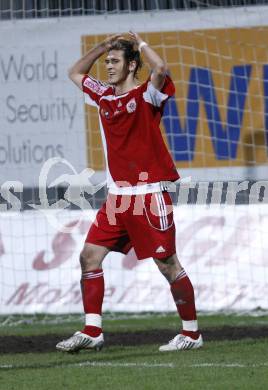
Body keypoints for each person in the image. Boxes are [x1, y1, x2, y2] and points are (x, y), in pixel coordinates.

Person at [56, 31, 203, 353]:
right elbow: (75, 73)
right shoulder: (104, 96)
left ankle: (191, 333)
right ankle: (92, 329)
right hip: (116, 198)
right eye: (107, 62)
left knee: (168, 264)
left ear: (132, 64)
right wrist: (103, 47)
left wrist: (140, 42)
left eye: (114, 61)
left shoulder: (147, 95)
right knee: (89, 256)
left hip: (148, 195)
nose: (108, 67)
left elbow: (161, 68)